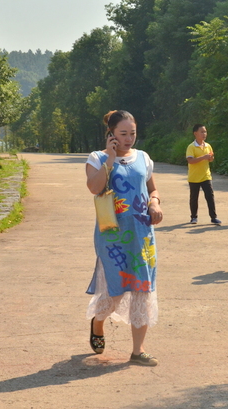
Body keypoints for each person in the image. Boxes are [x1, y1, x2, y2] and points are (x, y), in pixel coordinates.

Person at [85, 110, 163, 366]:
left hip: (142, 235)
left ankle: (138, 351)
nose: (129, 139)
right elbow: (94, 188)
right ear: (111, 134)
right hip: (112, 236)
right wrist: (109, 159)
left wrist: (154, 203)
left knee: (142, 289)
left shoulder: (143, 158)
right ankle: (98, 322)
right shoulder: (97, 158)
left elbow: (152, 189)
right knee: (115, 290)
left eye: (133, 133)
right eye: (123, 134)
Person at [186, 124, 222, 225]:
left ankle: (213, 217)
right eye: (201, 132)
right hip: (194, 177)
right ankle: (193, 217)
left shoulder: (208, 146)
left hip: (206, 176)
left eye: (205, 131)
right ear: (195, 133)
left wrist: (210, 158)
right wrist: (203, 157)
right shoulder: (191, 147)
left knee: (210, 196)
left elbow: (211, 159)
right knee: (194, 198)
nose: (204, 134)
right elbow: (190, 160)